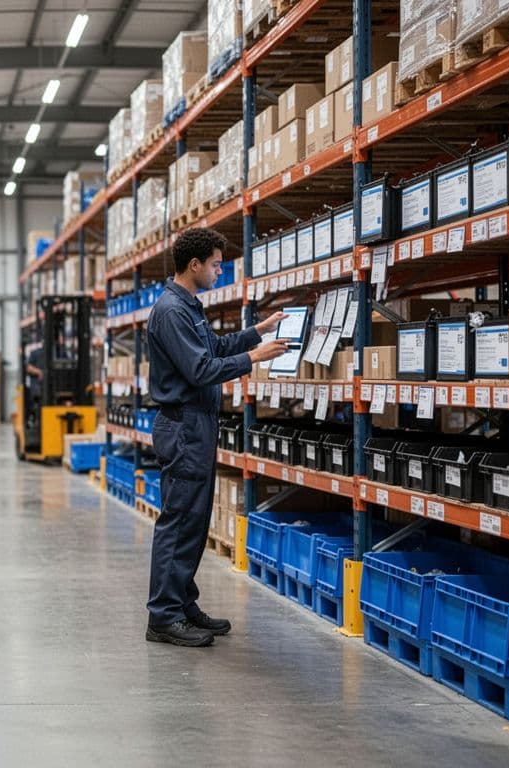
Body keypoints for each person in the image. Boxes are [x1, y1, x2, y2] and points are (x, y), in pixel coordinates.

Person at [144, 226, 287, 648]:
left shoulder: (188, 306)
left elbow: (214, 348)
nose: (220, 271)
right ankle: (163, 616)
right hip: (183, 426)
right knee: (178, 520)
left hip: (196, 425)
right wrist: (254, 358)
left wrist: (258, 331)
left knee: (194, 519)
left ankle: (182, 603)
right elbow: (200, 369)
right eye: (216, 265)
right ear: (195, 265)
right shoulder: (171, 311)